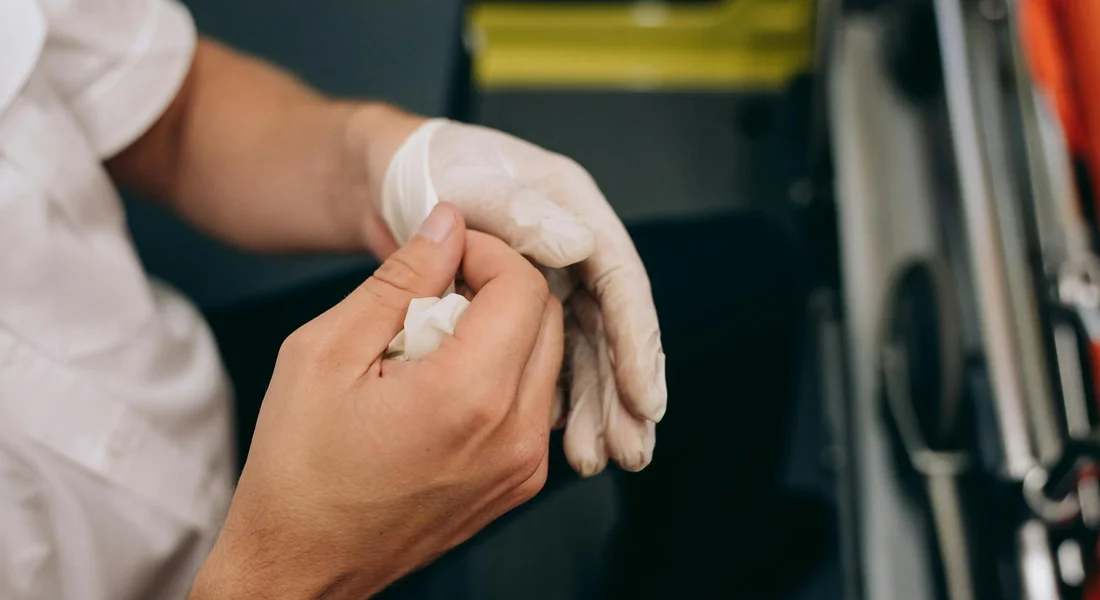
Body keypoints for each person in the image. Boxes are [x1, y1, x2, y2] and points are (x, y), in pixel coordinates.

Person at [2, 0, 822, 598]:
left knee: (748, 283)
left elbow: (168, 112)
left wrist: (389, 161)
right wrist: (304, 572)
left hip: (198, 402)